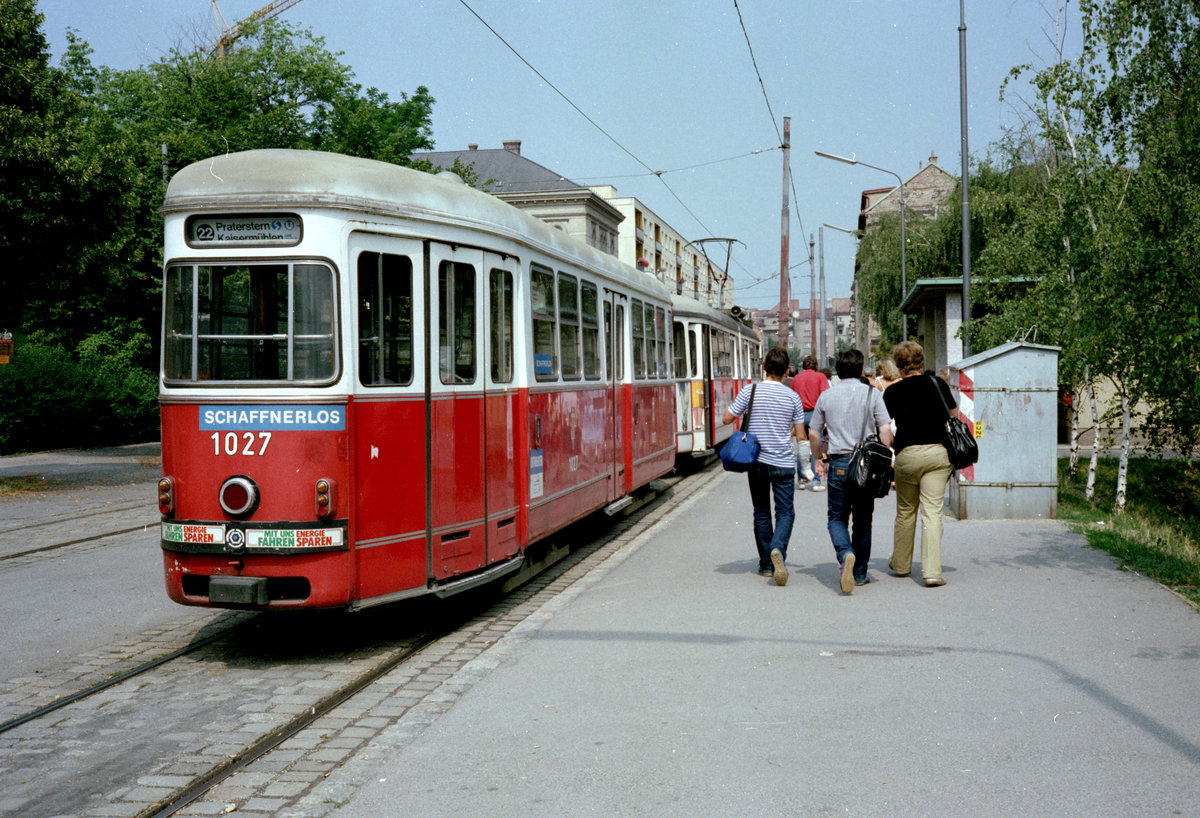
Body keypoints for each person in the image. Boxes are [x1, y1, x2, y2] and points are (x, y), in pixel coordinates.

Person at [809, 350, 893, 594]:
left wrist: (819, 458)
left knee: (837, 517)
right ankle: (859, 573)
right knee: (863, 520)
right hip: (866, 466)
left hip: (838, 464)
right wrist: (884, 454)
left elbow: (814, 433)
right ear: (860, 369)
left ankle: (845, 553)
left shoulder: (826, 396)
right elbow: (885, 430)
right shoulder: (873, 394)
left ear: (838, 369)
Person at [723, 347, 806, 586]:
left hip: (756, 462)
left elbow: (727, 419)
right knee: (785, 512)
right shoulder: (792, 397)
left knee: (761, 511)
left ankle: (766, 565)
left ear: (764, 368)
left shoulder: (751, 390)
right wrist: (806, 469)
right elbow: (801, 435)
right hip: (783, 463)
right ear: (787, 370)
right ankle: (778, 548)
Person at [883, 341, 955, 587]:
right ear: (921, 361)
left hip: (907, 454)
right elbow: (953, 418)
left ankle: (901, 565)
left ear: (898, 364)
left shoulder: (891, 392)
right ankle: (932, 572)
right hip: (937, 453)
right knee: (932, 512)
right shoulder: (938, 384)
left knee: (905, 510)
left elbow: (885, 428)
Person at [790, 355, 829, 491]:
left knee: (802, 446)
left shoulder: (797, 378)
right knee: (815, 447)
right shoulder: (821, 377)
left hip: (800, 414)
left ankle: (801, 479)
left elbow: (794, 396)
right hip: (815, 414)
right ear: (815, 366)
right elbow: (825, 395)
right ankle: (815, 480)